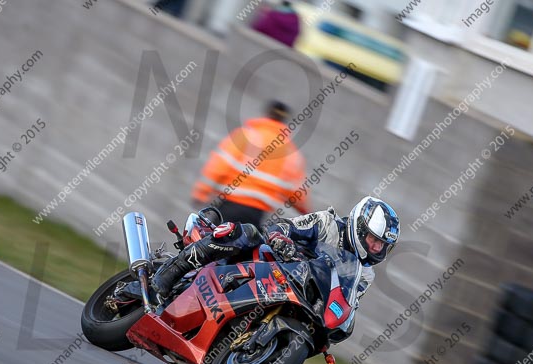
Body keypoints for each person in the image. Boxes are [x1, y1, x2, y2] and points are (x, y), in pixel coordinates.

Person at [152, 197, 400, 326]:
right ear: (358, 226)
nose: (376, 248)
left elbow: (347, 304)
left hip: (300, 300)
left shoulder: (365, 275)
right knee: (247, 233)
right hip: (273, 265)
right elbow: (285, 226)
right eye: (373, 239)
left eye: (382, 245)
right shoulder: (327, 223)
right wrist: (280, 237)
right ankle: (173, 270)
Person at [191, 100, 310, 228]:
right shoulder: (290, 151)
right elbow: (297, 191)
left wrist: (201, 193)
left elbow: (219, 166)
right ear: (284, 120)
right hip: (255, 215)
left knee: (210, 243)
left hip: (229, 205)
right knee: (244, 246)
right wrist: (307, 214)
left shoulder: (245, 136)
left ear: (267, 114)